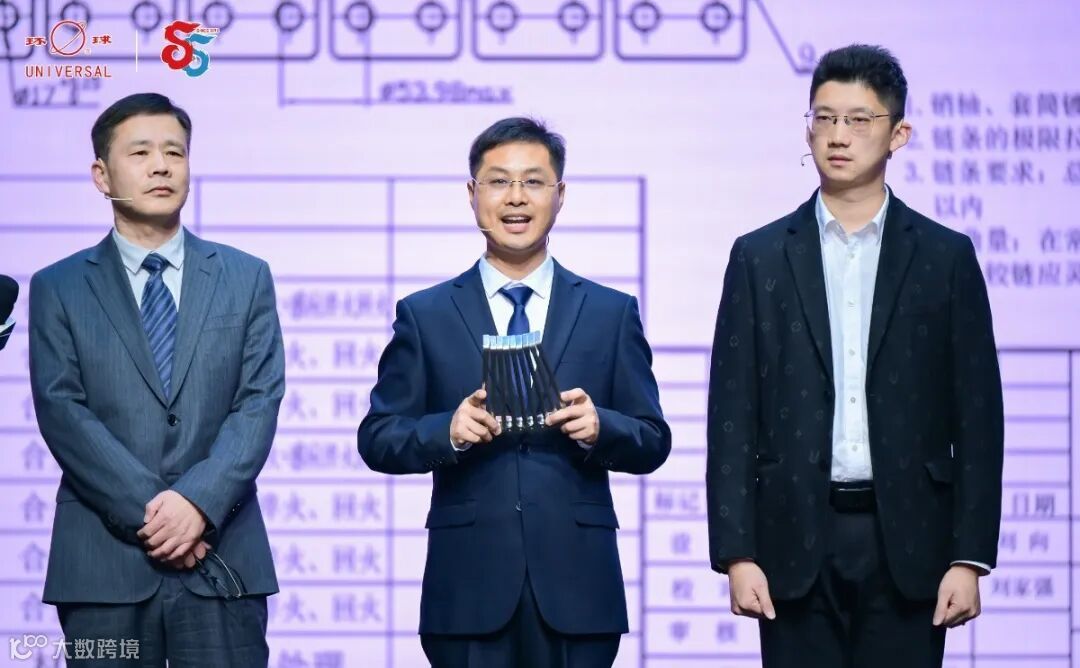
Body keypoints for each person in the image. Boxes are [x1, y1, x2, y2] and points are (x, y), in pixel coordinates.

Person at [705, 44, 1004, 668]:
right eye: (825, 118)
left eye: (859, 120)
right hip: (791, 540)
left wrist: (970, 556)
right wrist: (736, 552)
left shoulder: (945, 258)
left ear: (898, 134)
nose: (838, 136)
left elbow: (979, 416)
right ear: (808, 129)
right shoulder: (759, 257)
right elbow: (731, 415)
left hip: (912, 542)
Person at [358, 117, 671, 668]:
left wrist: (602, 427)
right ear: (472, 194)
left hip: (580, 589)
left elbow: (652, 438)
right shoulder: (425, 314)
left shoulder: (610, 312)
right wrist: (447, 431)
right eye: (499, 181)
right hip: (467, 590)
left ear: (560, 195)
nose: (516, 198)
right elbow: (378, 438)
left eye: (533, 181)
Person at [29, 92, 284, 666]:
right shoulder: (58, 286)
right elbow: (61, 410)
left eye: (175, 152)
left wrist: (198, 503)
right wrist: (158, 515)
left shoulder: (245, 276)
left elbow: (258, 401)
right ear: (102, 175)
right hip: (102, 566)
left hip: (221, 555)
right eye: (140, 152)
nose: (161, 166)